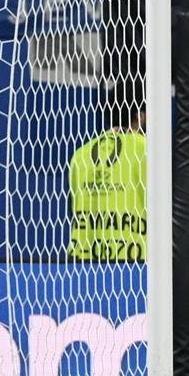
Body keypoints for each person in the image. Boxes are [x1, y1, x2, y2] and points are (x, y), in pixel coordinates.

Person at [68, 98, 147, 262]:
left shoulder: (80, 155)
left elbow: (73, 207)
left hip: (82, 262)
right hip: (135, 264)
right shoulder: (148, 151)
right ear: (140, 116)